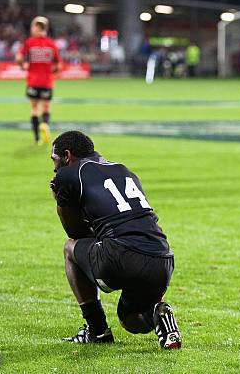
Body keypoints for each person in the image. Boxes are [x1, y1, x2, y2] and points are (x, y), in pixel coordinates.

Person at [49, 131, 181, 348]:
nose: (54, 168)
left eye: (54, 160)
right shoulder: (123, 170)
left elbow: (75, 233)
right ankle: (156, 315)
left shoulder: (69, 174)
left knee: (70, 248)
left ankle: (97, 330)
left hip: (121, 257)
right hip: (162, 258)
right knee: (130, 320)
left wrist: (59, 199)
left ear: (67, 155)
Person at [16, 16, 62, 144]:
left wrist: (23, 66)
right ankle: (45, 125)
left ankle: (37, 138)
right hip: (47, 81)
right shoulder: (51, 44)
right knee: (46, 107)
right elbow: (58, 65)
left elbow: (19, 58)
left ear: (37, 28)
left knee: (34, 108)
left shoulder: (29, 42)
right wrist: (52, 71)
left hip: (33, 81)